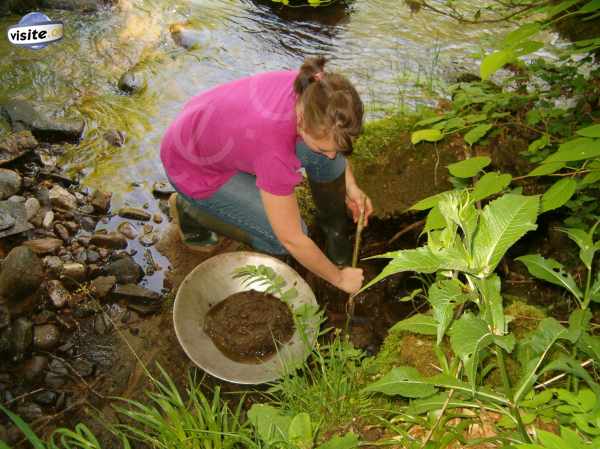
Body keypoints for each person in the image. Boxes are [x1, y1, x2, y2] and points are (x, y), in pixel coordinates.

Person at [160, 56, 373, 294]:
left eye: (338, 149)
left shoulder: (315, 91)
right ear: (301, 122)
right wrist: (339, 279)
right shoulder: (274, 153)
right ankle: (191, 210)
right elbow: (291, 239)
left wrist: (351, 187)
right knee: (281, 237)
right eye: (325, 147)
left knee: (325, 159)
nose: (333, 156)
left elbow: (334, 149)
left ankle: (334, 231)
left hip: (219, 135)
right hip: (192, 167)